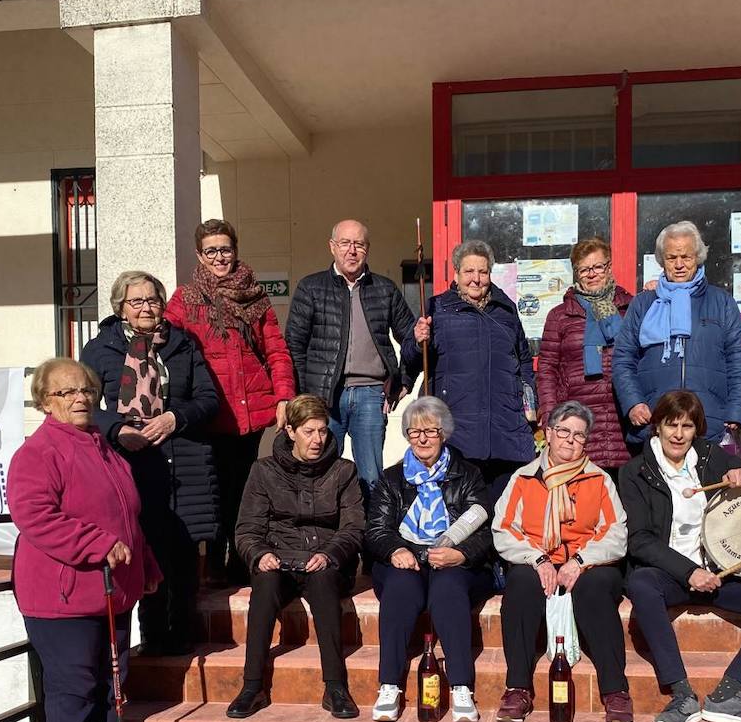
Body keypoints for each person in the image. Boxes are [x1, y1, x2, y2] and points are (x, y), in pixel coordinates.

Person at [9, 358, 162, 722]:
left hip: (112, 588)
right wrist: (95, 544)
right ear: (44, 402)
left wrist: (145, 564)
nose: (80, 399)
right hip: (62, 593)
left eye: (85, 391)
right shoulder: (37, 454)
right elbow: (36, 517)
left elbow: (126, 516)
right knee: (74, 683)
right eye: (66, 393)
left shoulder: (103, 446)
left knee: (112, 679)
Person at [620, 389, 741, 722]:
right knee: (640, 584)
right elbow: (640, 540)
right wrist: (688, 571)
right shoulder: (635, 472)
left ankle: (730, 693)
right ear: (657, 427)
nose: (678, 434)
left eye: (688, 426)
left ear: (697, 430)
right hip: (673, 576)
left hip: (722, 574)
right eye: (671, 424)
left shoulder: (709, 457)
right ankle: (681, 694)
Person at [81, 271, 219, 655]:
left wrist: (176, 418)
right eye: (136, 301)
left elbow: (208, 398)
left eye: (152, 300)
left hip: (184, 459)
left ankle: (186, 640)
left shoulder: (183, 344)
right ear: (121, 309)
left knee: (185, 553)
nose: (146, 307)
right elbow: (87, 406)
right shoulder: (100, 350)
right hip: (132, 462)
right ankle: (155, 641)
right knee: (148, 549)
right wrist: (118, 431)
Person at [164, 219, 296, 583]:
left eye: (225, 249)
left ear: (235, 251)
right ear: (199, 256)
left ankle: (241, 561)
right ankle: (216, 566)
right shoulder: (185, 300)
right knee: (214, 490)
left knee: (245, 489)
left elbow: (276, 350)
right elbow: (166, 346)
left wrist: (284, 396)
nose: (220, 257)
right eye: (211, 251)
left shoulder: (255, 296)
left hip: (252, 413)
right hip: (211, 413)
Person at [491, 401, 633, 722]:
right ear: (549, 434)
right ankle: (518, 688)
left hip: (589, 563)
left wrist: (580, 561)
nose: (570, 440)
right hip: (537, 559)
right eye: (564, 432)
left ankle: (615, 691)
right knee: (521, 584)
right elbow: (504, 529)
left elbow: (616, 534)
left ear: (586, 442)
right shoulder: (524, 478)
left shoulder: (599, 480)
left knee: (595, 589)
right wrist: (537, 558)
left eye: (579, 436)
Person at [230, 394, 366, 720]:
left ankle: (335, 686)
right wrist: (259, 554)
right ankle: (252, 686)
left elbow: (354, 528)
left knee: (324, 586)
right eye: (309, 431)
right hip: (278, 557)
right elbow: (247, 529)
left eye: (322, 431)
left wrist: (329, 554)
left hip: (325, 559)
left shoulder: (343, 470)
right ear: (290, 431)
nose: (317, 439)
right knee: (263, 589)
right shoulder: (264, 471)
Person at [365, 396, 492, 722]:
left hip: (454, 561)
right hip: (405, 559)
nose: (422, 438)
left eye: (431, 431)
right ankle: (389, 685)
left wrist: (460, 553)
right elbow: (377, 529)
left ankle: (462, 687)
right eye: (414, 431)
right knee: (400, 589)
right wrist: (396, 550)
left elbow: (486, 531)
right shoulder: (391, 479)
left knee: (448, 590)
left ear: (444, 433)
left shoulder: (469, 475)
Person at [284, 219, 416, 494]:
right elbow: (294, 344)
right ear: (332, 247)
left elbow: (414, 338)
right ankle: (322, 535)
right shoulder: (311, 288)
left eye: (359, 244)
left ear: (367, 249)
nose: (351, 250)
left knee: (371, 477)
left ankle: (372, 534)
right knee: (319, 472)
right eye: (345, 243)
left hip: (370, 395)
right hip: (322, 398)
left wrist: (403, 380)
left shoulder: (385, 289)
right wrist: (300, 396)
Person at [409, 239, 538, 489]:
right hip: (456, 426)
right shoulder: (437, 308)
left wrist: (529, 400)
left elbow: (523, 360)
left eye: (483, 271)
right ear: (456, 274)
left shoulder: (506, 310)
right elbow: (411, 361)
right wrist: (416, 341)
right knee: (462, 512)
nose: (476, 278)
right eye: (469, 271)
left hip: (505, 424)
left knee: (502, 510)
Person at [613, 221, 741, 446]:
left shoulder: (721, 302)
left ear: (697, 257)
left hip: (708, 424)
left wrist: (736, 410)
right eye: (671, 258)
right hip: (655, 422)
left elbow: (738, 361)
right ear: (661, 260)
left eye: (686, 257)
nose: (679, 264)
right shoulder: (643, 303)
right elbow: (623, 360)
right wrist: (633, 403)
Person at [537, 237, 634, 472]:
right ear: (576, 273)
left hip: (623, 418)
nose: (592, 274)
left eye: (598, 267)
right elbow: (547, 370)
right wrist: (551, 418)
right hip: (578, 421)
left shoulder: (631, 308)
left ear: (609, 268)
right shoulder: (560, 316)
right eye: (584, 269)